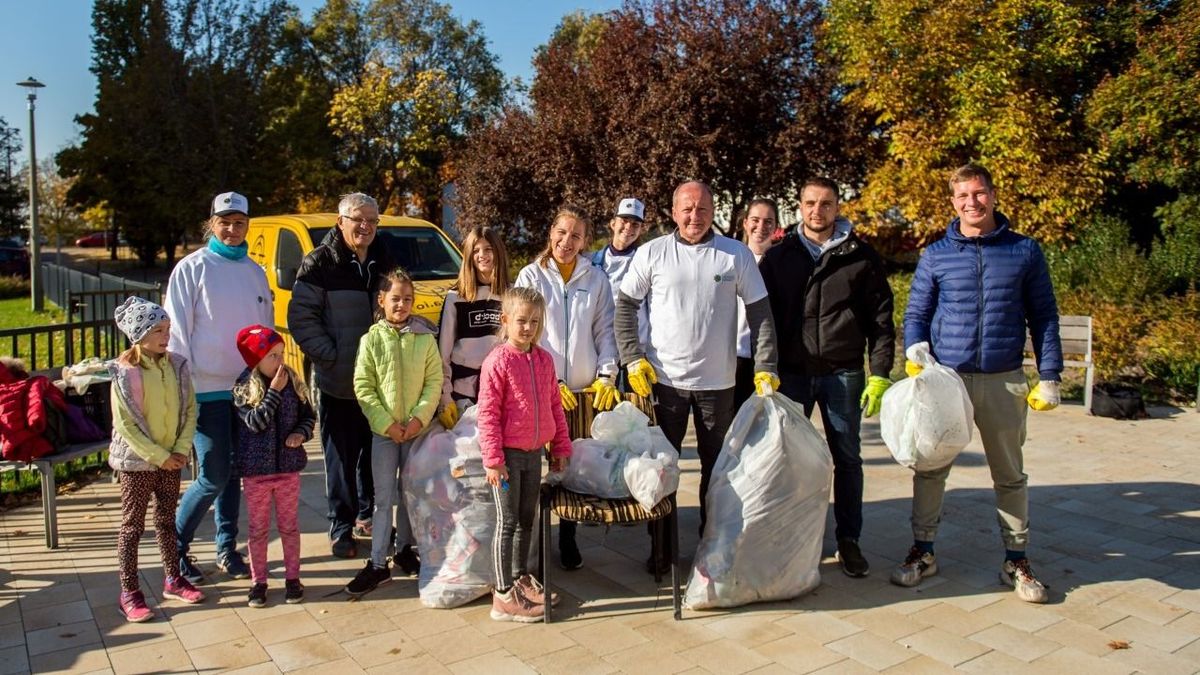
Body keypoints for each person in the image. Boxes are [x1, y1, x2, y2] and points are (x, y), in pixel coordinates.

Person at [895, 163, 1062, 603]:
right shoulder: (936, 255)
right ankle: (923, 550)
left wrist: (1049, 375)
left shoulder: (1024, 251)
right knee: (930, 469)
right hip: (947, 381)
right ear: (953, 201)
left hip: (1004, 378)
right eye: (963, 196)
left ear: (993, 194)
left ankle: (1016, 558)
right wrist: (915, 350)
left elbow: (1044, 316)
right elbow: (916, 313)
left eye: (979, 193)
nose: (972, 202)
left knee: (1010, 475)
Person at [615, 180, 779, 574]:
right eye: (687, 209)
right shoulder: (653, 253)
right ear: (673, 212)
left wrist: (766, 367)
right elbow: (624, 307)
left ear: (713, 211)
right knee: (662, 468)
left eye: (703, 209)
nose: (695, 216)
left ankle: (712, 546)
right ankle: (662, 549)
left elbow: (761, 316)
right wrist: (633, 358)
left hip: (718, 384)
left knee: (717, 468)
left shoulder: (734, 254)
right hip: (664, 381)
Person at [758, 178, 895, 578]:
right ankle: (790, 537)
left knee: (847, 458)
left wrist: (880, 372)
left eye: (826, 204)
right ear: (799, 206)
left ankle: (849, 539)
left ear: (838, 207)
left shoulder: (861, 257)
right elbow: (762, 320)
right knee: (788, 461)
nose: (817, 211)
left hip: (843, 373)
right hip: (793, 376)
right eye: (810, 203)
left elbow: (881, 320)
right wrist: (764, 368)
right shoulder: (780, 257)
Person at [168, 191, 274, 583]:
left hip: (246, 391)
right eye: (224, 222)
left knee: (234, 473)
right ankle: (173, 548)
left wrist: (267, 380)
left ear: (248, 224)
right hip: (205, 390)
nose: (232, 229)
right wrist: (183, 388)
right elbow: (178, 331)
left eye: (239, 222)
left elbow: (267, 331)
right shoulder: (191, 268)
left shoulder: (254, 271)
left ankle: (226, 549)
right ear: (211, 224)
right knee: (212, 473)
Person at [289, 192, 396, 558]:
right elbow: (301, 319)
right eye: (357, 219)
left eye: (372, 220)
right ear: (341, 222)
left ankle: (369, 516)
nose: (365, 226)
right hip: (338, 381)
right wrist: (331, 357)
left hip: (379, 383)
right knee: (340, 459)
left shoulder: (384, 258)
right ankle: (341, 526)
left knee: (374, 457)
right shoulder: (320, 263)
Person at [515, 205, 620, 571]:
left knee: (571, 464)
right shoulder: (531, 276)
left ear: (585, 241)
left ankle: (568, 535)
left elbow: (605, 331)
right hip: (541, 391)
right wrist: (549, 381)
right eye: (561, 232)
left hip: (582, 393)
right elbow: (525, 334)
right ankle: (532, 547)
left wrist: (607, 375)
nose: (567, 241)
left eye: (576, 235)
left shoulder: (596, 279)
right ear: (551, 232)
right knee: (536, 470)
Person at [345, 268, 443, 596]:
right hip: (384, 434)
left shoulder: (425, 338)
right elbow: (364, 385)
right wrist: (386, 423)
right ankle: (377, 562)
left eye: (408, 299)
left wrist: (417, 420)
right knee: (384, 497)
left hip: (416, 433)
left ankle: (405, 549)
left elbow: (434, 382)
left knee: (411, 494)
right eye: (395, 299)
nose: (402, 305)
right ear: (382, 300)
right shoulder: (371, 339)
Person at [477, 287, 572, 622]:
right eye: (521, 321)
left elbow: (554, 407)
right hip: (505, 459)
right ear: (505, 321)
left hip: (534, 456)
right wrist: (493, 459)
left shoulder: (544, 360)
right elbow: (486, 413)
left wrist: (560, 446)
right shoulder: (497, 362)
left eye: (535, 321)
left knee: (527, 520)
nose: (529, 327)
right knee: (508, 522)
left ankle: (520, 579)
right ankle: (503, 594)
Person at [109, 297, 204, 622]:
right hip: (137, 463)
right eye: (158, 330)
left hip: (171, 458)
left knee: (165, 521)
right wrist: (159, 456)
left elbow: (190, 409)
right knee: (132, 526)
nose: (166, 336)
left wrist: (179, 449)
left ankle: (173, 577)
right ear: (139, 334)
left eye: (168, 329)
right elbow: (126, 425)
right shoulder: (125, 372)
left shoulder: (177, 365)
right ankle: (129, 592)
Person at [231, 325, 315, 608]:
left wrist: (300, 434)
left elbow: (308, 417)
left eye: (281, 354)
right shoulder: (244, 387)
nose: (280, 361)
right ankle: (259, 582)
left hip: (288, 469)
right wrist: (274, 392)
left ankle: (293, 578)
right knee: (258, 530)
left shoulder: (291, 381)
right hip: (257, 473)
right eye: (272, 356)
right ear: (256, 360)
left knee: (289, 526)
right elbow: (256, 423)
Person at [437, 225, 510, 429]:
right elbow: (443, 354)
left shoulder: (511, 295)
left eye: (488, 249)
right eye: (476, 250)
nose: (482, 255)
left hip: (501, 392)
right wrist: (445, 396)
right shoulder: (455, 297)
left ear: (498, 252)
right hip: (464, 395)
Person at [591, 198, 651, 369]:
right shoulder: (592, 263)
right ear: (612, 223)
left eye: (635, 224)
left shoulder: (646, 262)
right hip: (599, 352)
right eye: (624, 221)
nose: (628, 228)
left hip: (635, 354)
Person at [734, 199, 781, 409]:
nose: (761, 227)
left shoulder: (783, 264)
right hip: (732, 357)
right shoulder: (731, 259)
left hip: (766, 361)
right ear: (745, 223)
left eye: (768, 221)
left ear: (776, 226)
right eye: (755, 220)